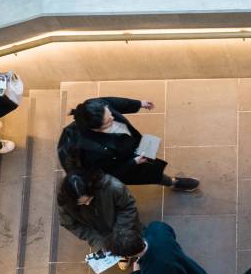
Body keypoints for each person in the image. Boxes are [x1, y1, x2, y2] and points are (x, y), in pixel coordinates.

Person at [58, 97, 199, 191]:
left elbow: (114, 102)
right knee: (150, 173)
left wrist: (138, 104)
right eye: (108, 121)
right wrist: (134, 162)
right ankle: (172, 182)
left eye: (110, 114)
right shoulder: (93, 152)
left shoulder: (97, 107)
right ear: (95, 128)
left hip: (130, 146)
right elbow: (110, 174)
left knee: (148, 163)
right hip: (125, 162)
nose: (113, 117)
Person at [58, 168, 141, 253]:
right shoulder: (65, 204)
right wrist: (96, 240)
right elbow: (71, 225)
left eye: (89, 199)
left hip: (123, 228)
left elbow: (128, 207)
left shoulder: (113, 187)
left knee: (133, 245)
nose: (87, 204)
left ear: (92, 187)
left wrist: (120, 236)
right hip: (100, 234)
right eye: (81, 203)